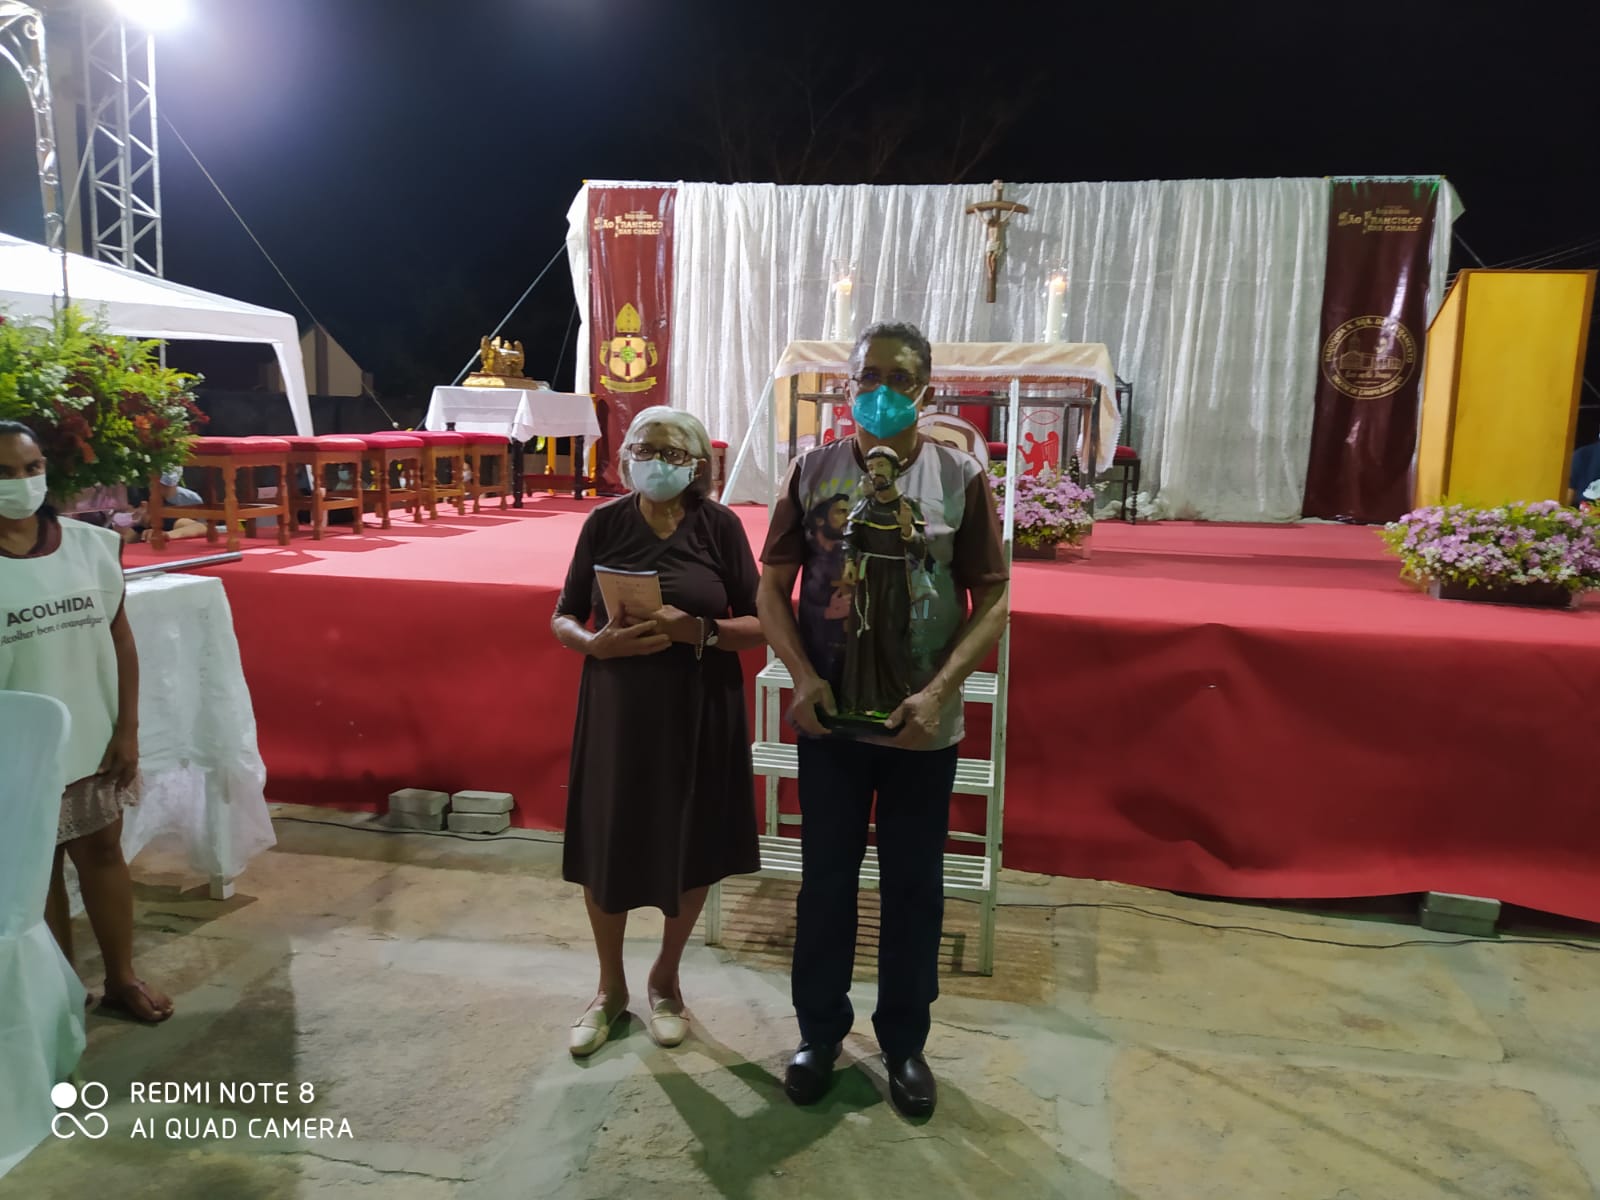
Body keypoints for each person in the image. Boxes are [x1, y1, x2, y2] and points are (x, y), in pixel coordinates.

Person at [758, 321, 1009, 1118]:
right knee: (827, 880)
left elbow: (994, 596)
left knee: (913, 885)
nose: (882, 390)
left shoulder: (959, 476)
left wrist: (940, 691)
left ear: (926, 390)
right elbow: (772, 587)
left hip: (918, 723)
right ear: (847, 386)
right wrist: (801, 676)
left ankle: (904, 1042)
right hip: (832, 716)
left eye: (900, 378)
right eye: (868, 375)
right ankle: (819, 1034)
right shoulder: (813, 470)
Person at [551, 406, 765, 1056]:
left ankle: (665, 981)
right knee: (609, 839)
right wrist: (593, 644)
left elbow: (762, 624)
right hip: (618, 708)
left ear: (696, 465)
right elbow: (564, 615)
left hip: (700, 708)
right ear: (626, 458)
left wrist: (698, 630)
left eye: (673, 453)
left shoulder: (720, 527)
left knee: (691, 840)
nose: (658, 462)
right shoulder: (604, 523)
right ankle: (608, 989)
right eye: (646, 449)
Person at [0, 420, 173, 1023]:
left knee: (103, 851)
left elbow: (119, 637)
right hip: (19, 751)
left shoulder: (89, 546)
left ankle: (122, 978)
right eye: (4, 473)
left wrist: (126, 729)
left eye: (31, 468)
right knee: (38, 871)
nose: (22, 482)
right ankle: (61, 995)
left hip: (93, 736)